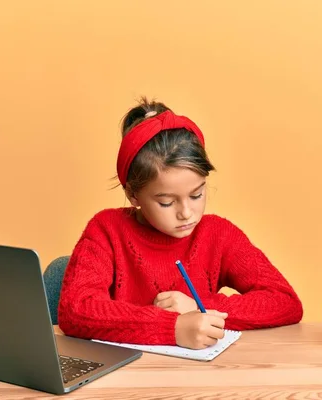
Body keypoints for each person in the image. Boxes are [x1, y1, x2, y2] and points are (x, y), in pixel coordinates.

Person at [57, 98, 303, 350]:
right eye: (166, 202)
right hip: (123, 380)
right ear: (133, 194)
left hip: (195, 380)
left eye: (197, 195)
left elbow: (285, 302)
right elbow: (76, 310)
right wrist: (171, 327)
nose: (186, 213)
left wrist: (199, 307)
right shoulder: (106, 230)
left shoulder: (219, 234)